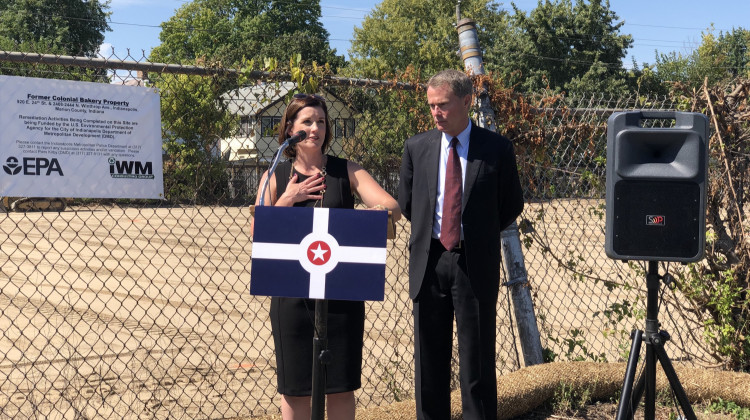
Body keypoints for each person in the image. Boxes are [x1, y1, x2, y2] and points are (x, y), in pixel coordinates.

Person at [251, 93, 401, 420]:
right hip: (293, 300)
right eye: (307, 122)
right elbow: (258, 232)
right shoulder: (275, 175)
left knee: (341, 388)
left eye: (321, 122)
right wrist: (289, 197)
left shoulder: (346, 171)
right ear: (290, 128)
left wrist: (367, 216)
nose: (315, 128)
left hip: (341, 296)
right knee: (295, 389)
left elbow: (392, 208)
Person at [397, 69, 524, 420]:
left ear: (466, 101)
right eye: (431, 106)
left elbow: (510, 205)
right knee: (429, 363)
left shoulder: (496, 149)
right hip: (430, 262)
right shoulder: (416, 148)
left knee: (477, 365)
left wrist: (477, 231)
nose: (435, 112)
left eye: (443, 105)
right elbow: (409, 204)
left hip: (475, 264)